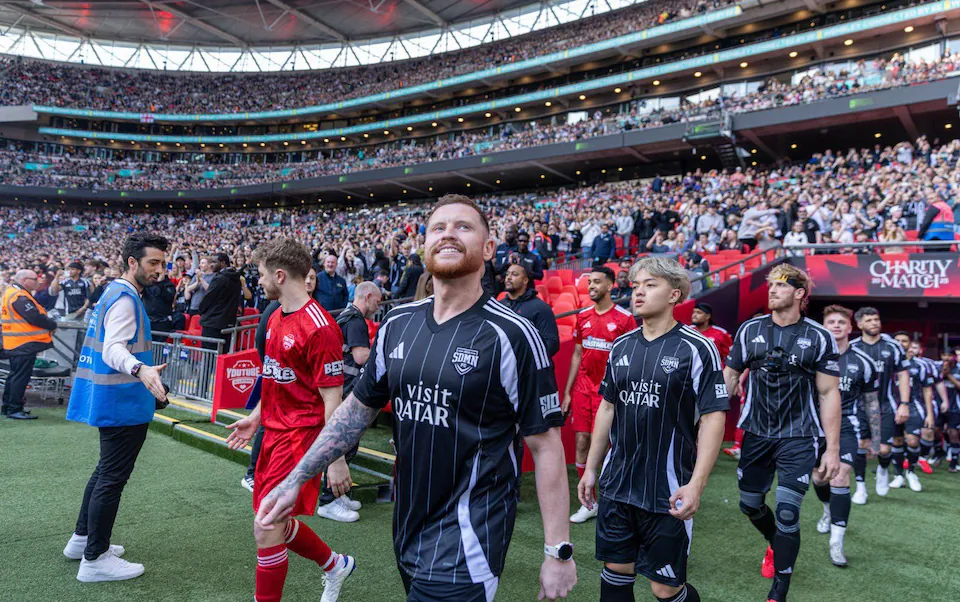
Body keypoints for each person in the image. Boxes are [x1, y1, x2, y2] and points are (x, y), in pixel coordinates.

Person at [255, 195, 577, 602]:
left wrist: (558, 552)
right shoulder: (397, 324)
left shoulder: (512, 335)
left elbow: (545, 446)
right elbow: (356, 411)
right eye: (438, 228)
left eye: (463, 227)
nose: (448, 234)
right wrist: (297, 478)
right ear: (424, 246)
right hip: (407, 525)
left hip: (470, 532)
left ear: (489, 248)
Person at [578, 256, 726, 602]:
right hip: (617, 484)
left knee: (664, 588)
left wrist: (697, 485)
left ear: (675, 294)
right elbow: (608, 408)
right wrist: (590, 470)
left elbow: (713, 418)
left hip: (668, 489)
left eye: (650, 284)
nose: (638, 293)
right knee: (615, 574)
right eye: (635, 286)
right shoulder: (622, 347)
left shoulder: (697, 347)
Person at [224, 238, 355, 602]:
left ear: (279, 275)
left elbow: (334, 401)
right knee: (275, 522)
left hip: (300, 439)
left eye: (262, 273)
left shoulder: (321, 327)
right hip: (272, 435)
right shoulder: (275, 316)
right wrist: (254, 418)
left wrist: (337, 459)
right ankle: (335, 564)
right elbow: (276, 377)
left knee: (266, 525)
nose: (259, 280)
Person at [722, 264, 841, 602]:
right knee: (750, 504)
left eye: (780, 286)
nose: (771, 291)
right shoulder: (749, 330)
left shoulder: (819, 336)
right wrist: (705, 419)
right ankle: (776, 543)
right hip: (756, 434)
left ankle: (779, 591)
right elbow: (729, 378)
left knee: (788, 511)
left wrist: (831, 449)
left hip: (799, 436)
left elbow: (829, 393)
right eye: (770, 285)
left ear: (800, 293)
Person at [64, 234, 171, 582]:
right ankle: (95, 558)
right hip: (123, 402)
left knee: (103, 473)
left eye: (162, 263)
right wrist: (141, 370)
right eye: (153, 262)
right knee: (111, 478)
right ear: (131, 262)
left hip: (114, 399)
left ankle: (83, 541)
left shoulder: (113, 290)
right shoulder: (125, 298)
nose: (160, 270)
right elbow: (113, 348)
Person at [562, 266, 636, 524]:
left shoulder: (626, 319)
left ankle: (611, 498)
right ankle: (588, 502)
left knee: (605, 445)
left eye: (597, 282)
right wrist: (568, 392)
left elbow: (630, 360)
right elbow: (577, 354)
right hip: (583, 389)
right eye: (589, 282)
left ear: (610, 286)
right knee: (582, 440)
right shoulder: (583, 316)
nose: (591, 286)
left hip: (609, 394)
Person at [812, 305, 876, 567]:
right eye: (831, 322)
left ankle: (836, 543)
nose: (836, 325)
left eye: (841, 322)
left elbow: (872, 403)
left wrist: (875, 438)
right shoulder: (811, 357)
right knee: (819, 477)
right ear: (823, 327)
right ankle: (827, 509)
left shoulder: (863, 362)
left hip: (848, 427)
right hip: (814, 428)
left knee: (840, 474)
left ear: (850, 328)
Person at [315, 281, 383, 523]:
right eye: (377, 299)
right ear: (366, 296)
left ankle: (338, 494)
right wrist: (383, 350)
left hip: (341, 388)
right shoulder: (355, 321)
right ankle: (328, 500)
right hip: (345, 392)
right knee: (344, 445)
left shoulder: (346, 315)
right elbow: (362, 356)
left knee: (346, 445)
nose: (379, 304)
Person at [850, 309, 912, 499]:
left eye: (877, 319)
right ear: (859, 324)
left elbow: (903, 375)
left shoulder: (892, 346)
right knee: (861, 445)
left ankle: (883, 470)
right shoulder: (852, 347)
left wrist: (904, 403)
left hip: (885, 405)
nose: (875, 323)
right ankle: (860, 487)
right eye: (869, 320)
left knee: (884, 449)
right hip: (858, 406)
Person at [1, 269, 57, 419]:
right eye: (34, 278)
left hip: (16, 342)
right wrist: (52, 324)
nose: (38, 281)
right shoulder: (18, 296)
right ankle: (15, 409)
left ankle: (8, 406)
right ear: (25, 280)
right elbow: (34, 317)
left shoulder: (13, 292)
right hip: (23, 342)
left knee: (14, 375)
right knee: (20, 377)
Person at [500, 263, 560, 358]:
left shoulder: (540, 308)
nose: (509, 277)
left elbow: (552, 343)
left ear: (525, 280)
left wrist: (527, 361)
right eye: (507, 274)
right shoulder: (500, 305)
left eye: (514, 274)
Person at [898, 339, 935, 491]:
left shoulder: (921, 365)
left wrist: (930, 413)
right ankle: (897, 475)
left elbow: (928, 389)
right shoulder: (890, 362)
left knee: (913, 440)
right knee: (895, 442)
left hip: (914, 406)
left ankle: (911, 472)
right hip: (892, 405)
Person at [198, 252, 242, 351]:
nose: (211, 264)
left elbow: (208, 299)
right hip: (227, 322)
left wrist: (201, 311)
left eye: (214, 262)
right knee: (223, 356)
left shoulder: (220, 278)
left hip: (212, 324)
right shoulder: (236, 278)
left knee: (210, 358)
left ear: (223, 263)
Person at [939, 349, 960, 473]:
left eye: (950, 355)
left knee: (953, 433)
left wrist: (949, 376)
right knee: (935, 431)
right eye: (944, 354)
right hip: (938, 404)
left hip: (955, 406)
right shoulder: (936, 366)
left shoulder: (957, 370)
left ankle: (953, 462)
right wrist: (943, 371)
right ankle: (939, 452)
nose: (947, 358)